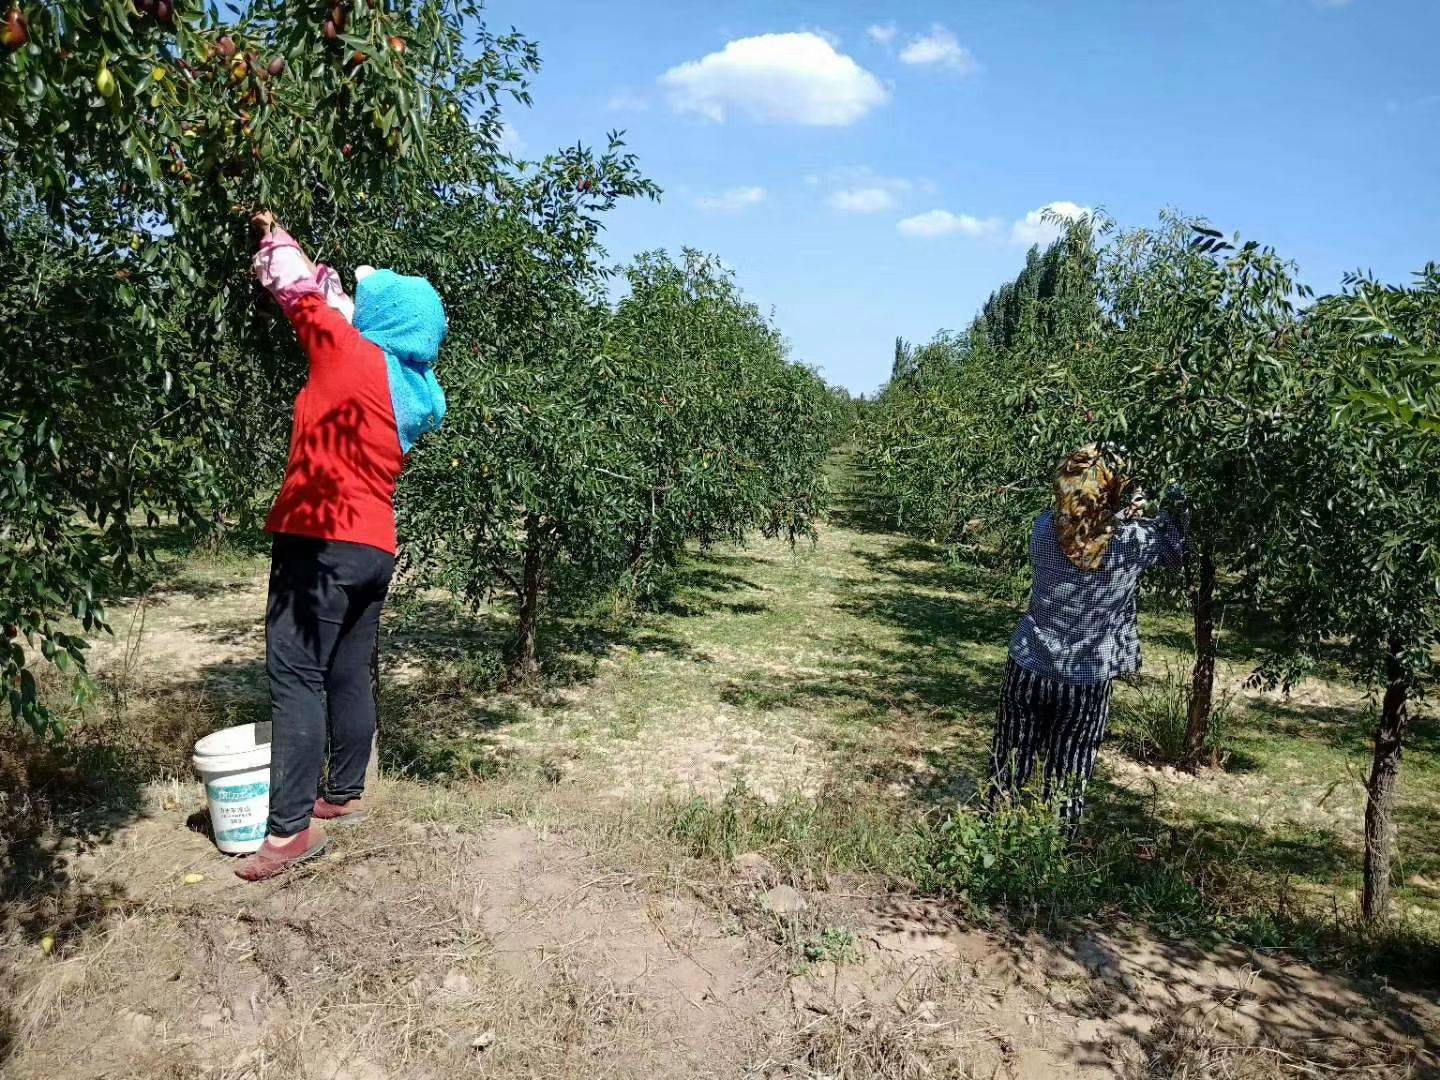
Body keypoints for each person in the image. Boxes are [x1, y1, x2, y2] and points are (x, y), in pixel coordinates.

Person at [235, 213, 448, 882]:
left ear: (378, 320)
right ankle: (344, 794)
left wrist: (274, 233)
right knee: (348, 672)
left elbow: (297, 290)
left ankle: (289, 830)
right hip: (374, 547)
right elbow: (342, 307)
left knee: (295, 675)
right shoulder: (414, 392)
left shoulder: (346, 354)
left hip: (319, 537)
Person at [988, 444, 1186, 825]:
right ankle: (1057, 850)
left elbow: (1081, 522)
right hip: (1088, 678)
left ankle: (994, 834)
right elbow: (1177, 554)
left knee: (1010, 763)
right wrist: (1172, 499)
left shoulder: (1044, 529)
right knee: (1071, 770)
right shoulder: (1132, 543)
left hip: (1029, 665)